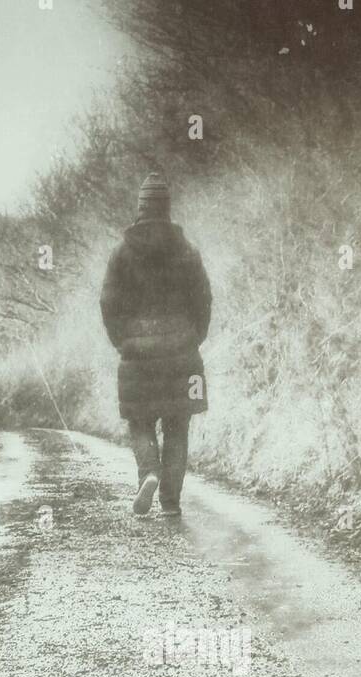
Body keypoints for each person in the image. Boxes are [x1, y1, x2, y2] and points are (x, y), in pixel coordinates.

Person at [99, 172, 212, 518]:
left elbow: (108, 303)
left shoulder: (121, 254)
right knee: (178, 425)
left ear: (140, 208)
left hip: (137, 355)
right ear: (167, 208)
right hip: (183, 355)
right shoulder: (187, 251)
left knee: (140, 421)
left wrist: (123, 341)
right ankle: (171, 502)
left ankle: (148, 472)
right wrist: (194, 337)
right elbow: (204, 300)